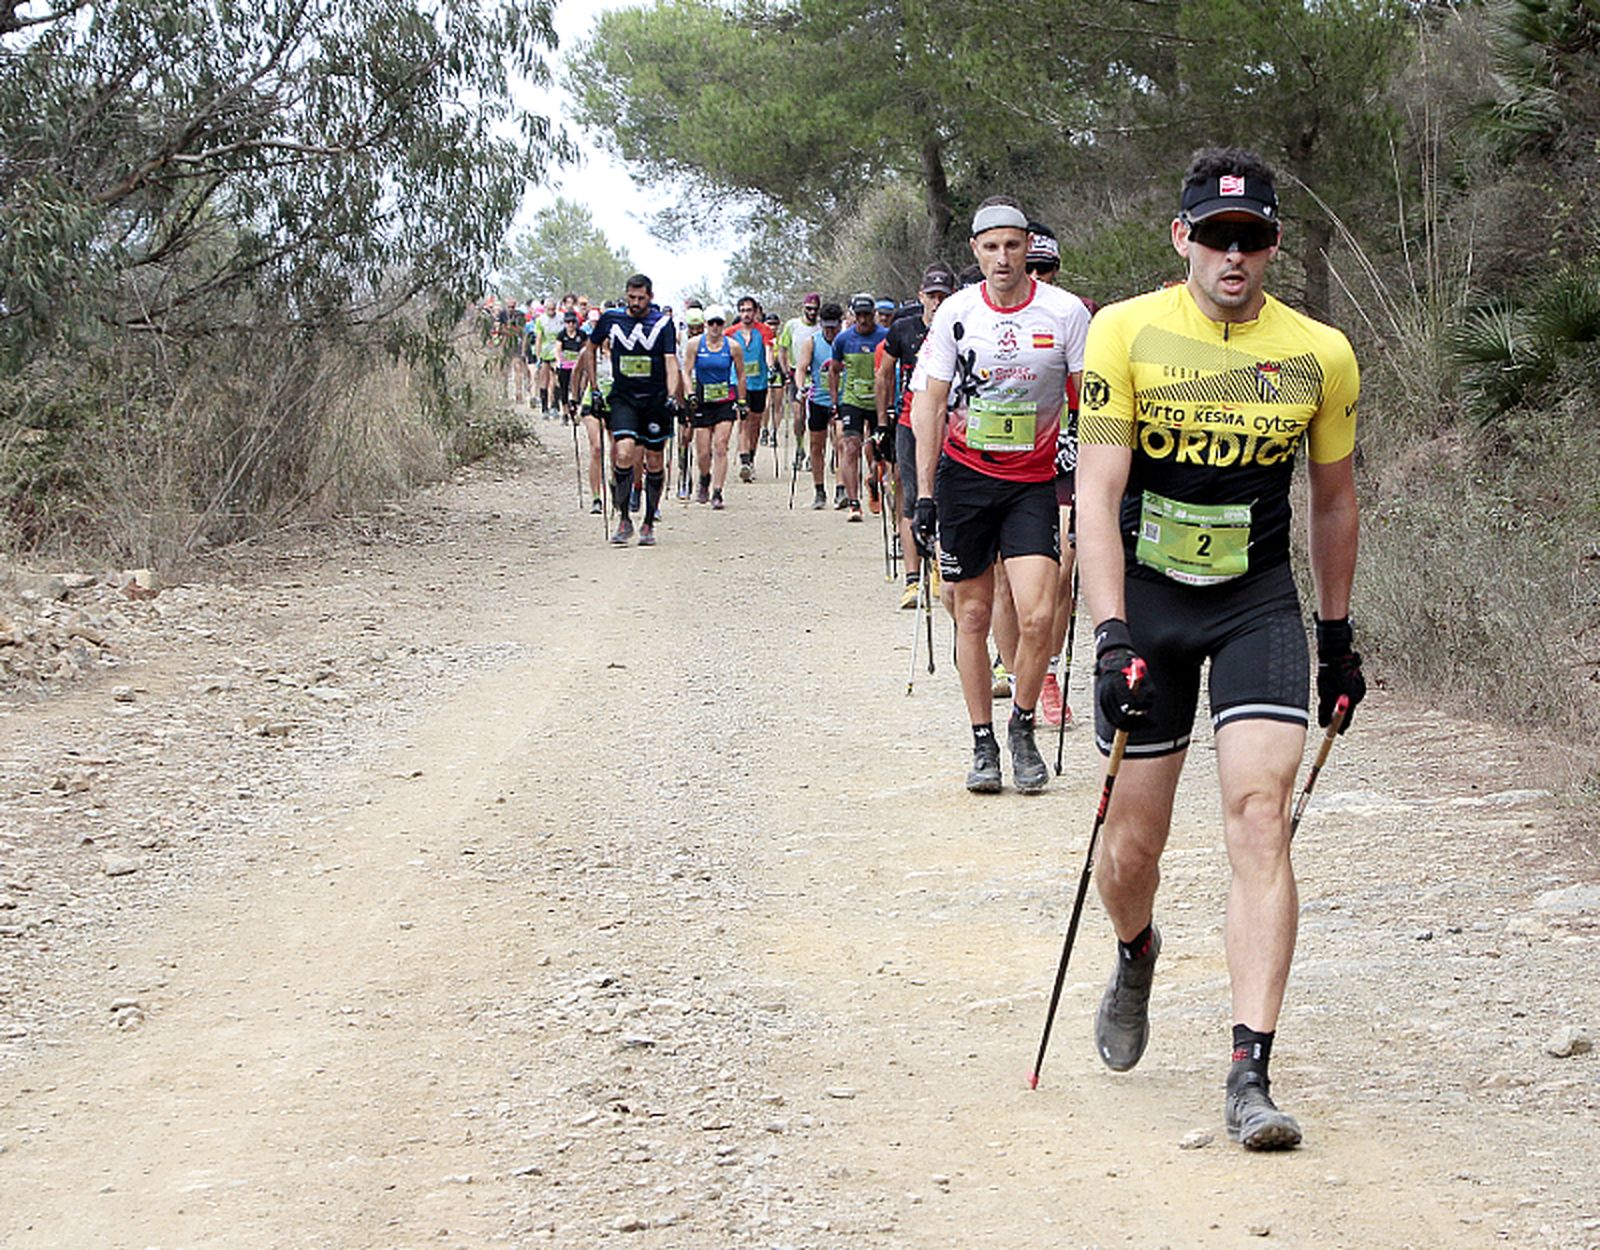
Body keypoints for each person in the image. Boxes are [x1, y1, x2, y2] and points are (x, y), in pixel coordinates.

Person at [1075, 147, 1365, 1151]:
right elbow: (1097, 493)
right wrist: (1109, 634)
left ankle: (1250, 1067)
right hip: (1148, 602)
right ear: (1181, 239)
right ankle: (1135, 946)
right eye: (1213, 236)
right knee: (1130, 850)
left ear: (1273, 244)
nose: (1231, 255)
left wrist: (1337, 633)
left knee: (1258, 818)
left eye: (1250, 238)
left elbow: (1331, 498)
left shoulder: (1317, 352)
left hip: (1254, 605)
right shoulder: (1124, 332)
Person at [909, 197, 1090, 794]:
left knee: (1039, 612)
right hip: (965, 477)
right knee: (974, 612)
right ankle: (982, 740)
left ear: (1028, 248)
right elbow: (930, 404)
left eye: (1014, 246)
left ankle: (1022, 725)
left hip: (1032, 482)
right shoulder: (955, 315)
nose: (1003, 258)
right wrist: (926, 493)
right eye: (991, 247)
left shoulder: (1065, 313)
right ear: (976, 253)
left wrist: (1091, 479)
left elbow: (1088, 400)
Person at [573, 273, 682, 546]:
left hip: (655, 399)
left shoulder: (663, 324)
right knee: (623, 452)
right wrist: (594, 388)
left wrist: (671, 395)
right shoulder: (611, 319)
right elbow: (590, 349)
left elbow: (671, 362)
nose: (635, 303)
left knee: (654, 460)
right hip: (623, 398)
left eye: (640, 298)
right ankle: (623, 517)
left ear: (650, 297)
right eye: (631, 298)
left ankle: (648, 522)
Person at [878, 264, 953, 608]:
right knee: (911, 493)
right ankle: (912, 579)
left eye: (944, 295)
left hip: (950, 422)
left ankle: (939, 565)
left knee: (943, 494)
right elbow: (884, 375)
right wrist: (883, 422)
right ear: (921, 295)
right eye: (932, 295)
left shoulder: (959, 328)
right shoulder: (903, 329)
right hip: (909, 421)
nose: (937, 302)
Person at [830, 293, 888, 521]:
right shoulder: (843, 340)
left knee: (878, 455)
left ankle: (873, 481)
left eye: (867, 315)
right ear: (854, 315)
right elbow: (834, 370)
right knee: (850, 447)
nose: (863, 320)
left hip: (878, 402)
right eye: (859, 315)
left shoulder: (885, 337)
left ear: (874, 314)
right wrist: (836, 402)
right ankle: (854, 503)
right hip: (852, 401)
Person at [683, 303, 747, 509]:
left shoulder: (733, 346)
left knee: (721, 445)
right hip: (702, 400)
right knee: (703, 451)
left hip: (724, 400)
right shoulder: (694, 344)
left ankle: (718, 491)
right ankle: (704, 478)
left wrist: (742, 401)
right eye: (712, 323)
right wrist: (689, 393)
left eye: (719, 323)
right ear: (705, 324)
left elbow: (741, 374)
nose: (715, 327)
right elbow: (686, 371)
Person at [794, 301, 843, 509]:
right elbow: (801, 368)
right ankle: (819, 490)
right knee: (816, 446)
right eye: (827, 326)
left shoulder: (846, 341)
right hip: (817, 400)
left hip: (842, 401)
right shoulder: (812, 342)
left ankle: (841, 490)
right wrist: (800, 387)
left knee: (842, 443)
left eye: (834, 326)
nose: (830, 331)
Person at [728, 297, 771, 482]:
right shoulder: (730, 333)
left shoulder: (764, 331)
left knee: (755, 423)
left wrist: (772, 368)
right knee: (743, 421)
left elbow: (769, 351)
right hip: (738, 383)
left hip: (759, 383)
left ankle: (751, 457)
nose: (746, 314)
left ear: (756, 312)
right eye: (743, 310)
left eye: (749, 310)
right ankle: (744, 460)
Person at [779, 294, 822, 468]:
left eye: (815, 309)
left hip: (816, 376)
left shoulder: (821, 327)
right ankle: (799, 448)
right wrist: (785, 371)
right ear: (803, 307)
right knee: (798, 416)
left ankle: (814, 453)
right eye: (809, 308)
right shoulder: (792, 325)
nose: (812, 312)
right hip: (796, 374)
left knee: (814, 416)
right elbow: (783, 349)